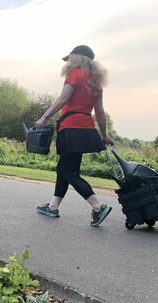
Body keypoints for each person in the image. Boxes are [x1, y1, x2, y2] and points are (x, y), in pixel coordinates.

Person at [34, 45, 113, 227]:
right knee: (63, 169)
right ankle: (53, 206)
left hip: (70, 128)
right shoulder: (96, 83)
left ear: (78, 58)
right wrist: (104, 135)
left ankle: (97, 207)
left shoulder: (76, 73)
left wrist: (44, 117)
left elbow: (63, 99)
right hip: (86, 129)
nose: (68, 62)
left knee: (70, 172)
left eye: (70, 58)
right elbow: (100, 113)